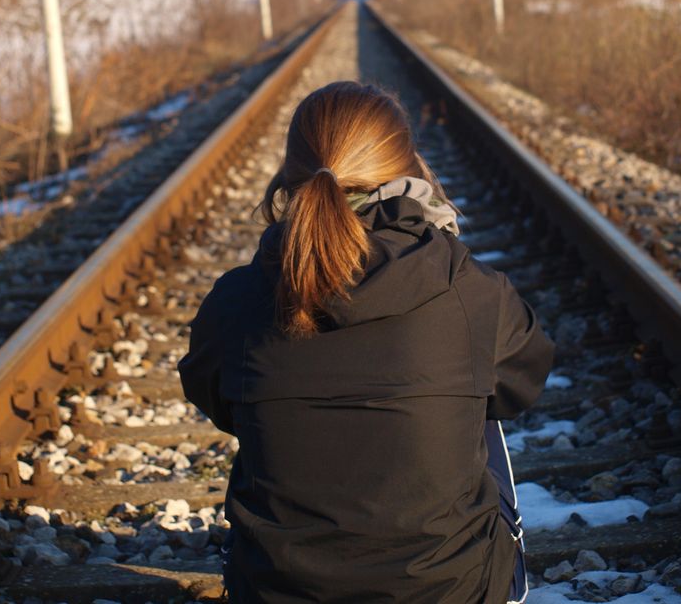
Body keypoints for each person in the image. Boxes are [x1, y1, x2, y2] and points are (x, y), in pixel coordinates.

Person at [178, 81, 554, 603]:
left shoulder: (237, 301)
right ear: (406, 171)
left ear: (291, 176)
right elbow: (524, 381)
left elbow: (214, 397)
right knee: (479, 398)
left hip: (278, 593)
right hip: (449, 594)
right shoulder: (471, 291)